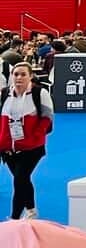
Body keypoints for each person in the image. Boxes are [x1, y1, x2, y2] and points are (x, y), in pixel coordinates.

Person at [1, 63, 53, 219]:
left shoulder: (39, 93)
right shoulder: (5, 94)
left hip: (31, 148)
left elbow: (47, 117)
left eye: (23, 74)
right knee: (23, 180)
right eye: (16, 74)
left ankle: (14, 217)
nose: (19, 78)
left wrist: (35, 136)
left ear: (30, 76)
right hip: (8, 148)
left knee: (19, 180)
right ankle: (31, 209)